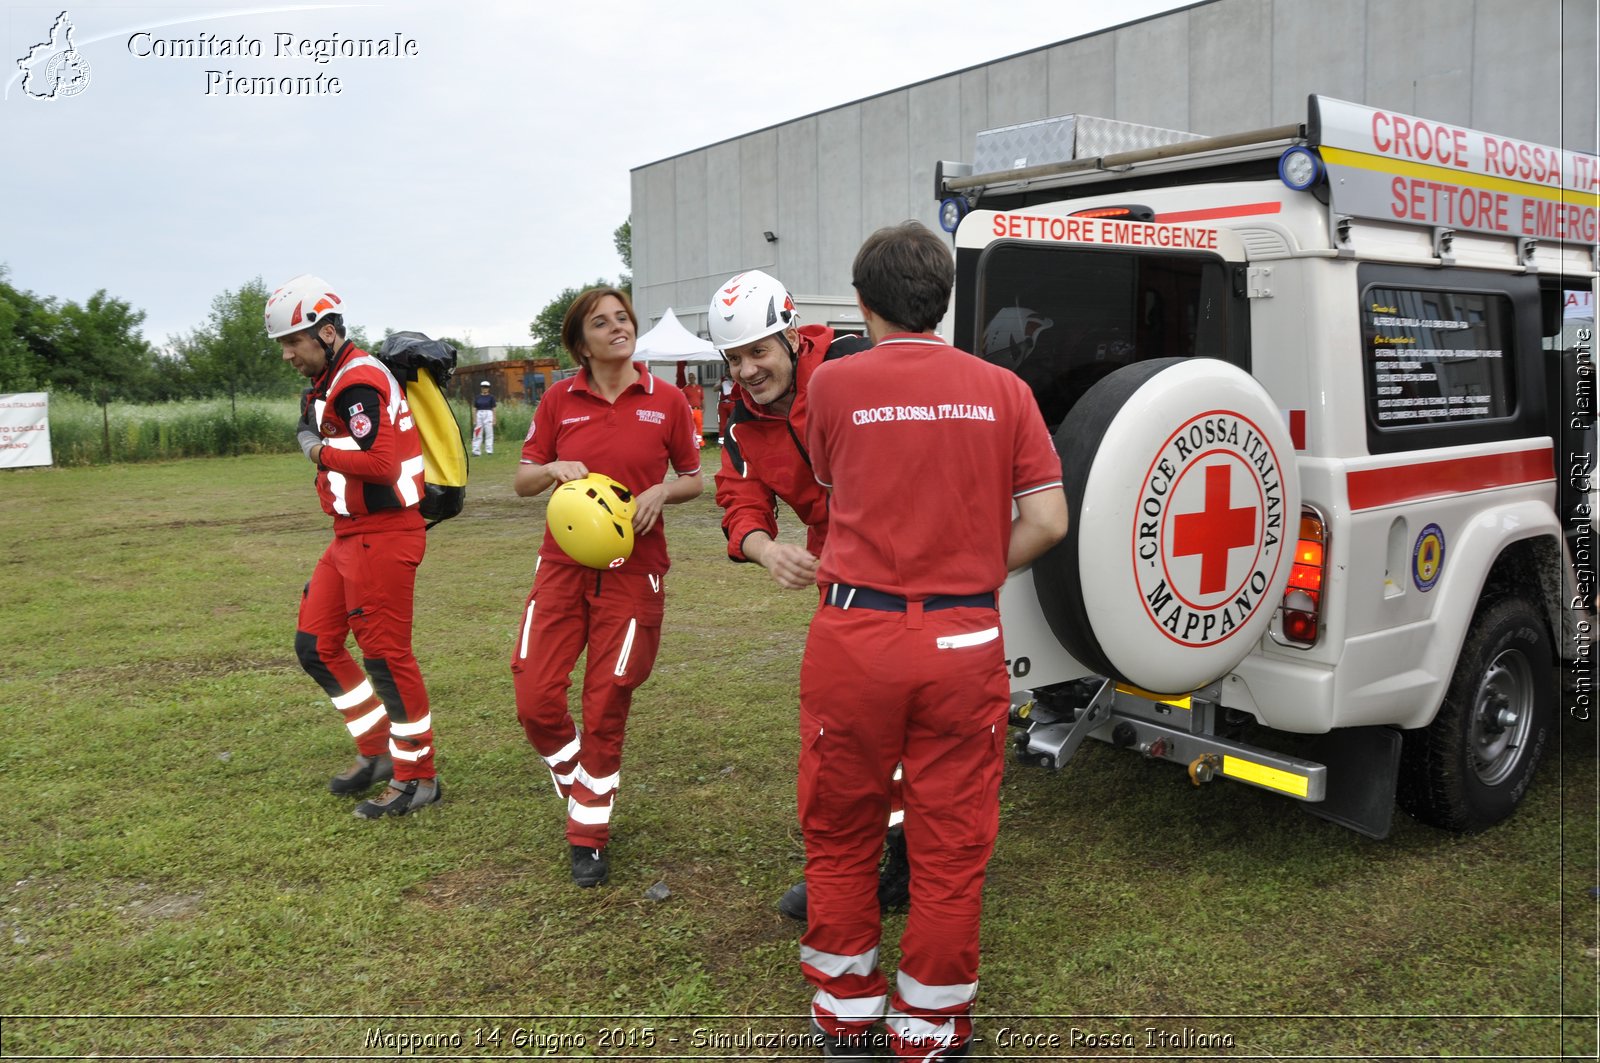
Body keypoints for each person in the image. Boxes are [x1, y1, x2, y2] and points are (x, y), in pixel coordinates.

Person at [797, 223, 1068, 1059]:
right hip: (962, 635)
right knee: (951, 841)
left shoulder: (832, 388)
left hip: (857, 632)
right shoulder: (1005, 389)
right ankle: (930, 1028)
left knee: (842, 830)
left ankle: (846, 1016)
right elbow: (1049, 521)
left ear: (864, 301)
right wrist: (969, 566)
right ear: (943, 299)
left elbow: (834, 483)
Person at [707, 268, 908, 923]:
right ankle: (858, 863)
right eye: (734, 358)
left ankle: (909, 859)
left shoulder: (853, 366)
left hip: (911, 558)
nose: (747, 369)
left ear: (791, 335)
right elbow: (738, 494)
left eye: (759, 350)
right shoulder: (738, 415)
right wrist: (766, 549)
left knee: (910, 717)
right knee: (841, 729)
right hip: (839, 568)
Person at [511, 285, 704, 888]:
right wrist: (549, 470)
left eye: (623, 318)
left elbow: (696, 479)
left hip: (634, 573)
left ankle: (588, 833)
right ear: (581, 342)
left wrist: (660, 491)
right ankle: (581, 785)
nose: (617, 327)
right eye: (602, 322)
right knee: (536, 697)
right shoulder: (559, 402)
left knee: (606, 702)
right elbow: (521, 481)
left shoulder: (667, 400)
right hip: (562, 567)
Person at [267, 273, 442, 818]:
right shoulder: (329, 380)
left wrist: (317, 452)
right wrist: (313, 437)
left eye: (294, 342)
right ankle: (379, 752)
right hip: (348, 534)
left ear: (326, 332)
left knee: (387, 657)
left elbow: (380, 465)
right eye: (284, 345)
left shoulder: (357, 381)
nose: (288, 355)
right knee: (315, 645)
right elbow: (317, 427)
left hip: (384, 534)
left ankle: (420, 776)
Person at [472, 380, 497, 455]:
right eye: (483, 387)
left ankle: (489, 450)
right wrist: (474, 419)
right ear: (481, 388)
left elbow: (494, 409)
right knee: (477, 432)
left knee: (489, 432)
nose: (485, 389)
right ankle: (476, 451)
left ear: (488, 388)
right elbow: (474, 408)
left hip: (488, 414)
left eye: (486, 387)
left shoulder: (491, 397)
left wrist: (494, 419)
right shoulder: (477, 397)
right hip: (479, 414)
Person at [681, 369, 705, 441]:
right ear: (688, 379)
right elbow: (683, 400)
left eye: (692, 377)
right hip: (690, 410)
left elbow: (702, 399)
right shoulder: (685, 389)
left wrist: (703, 409)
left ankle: (699, 443)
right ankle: (690, 441)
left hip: (698, 410)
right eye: (690, 377)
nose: (691, 378)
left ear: (695, 378)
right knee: (689, 426)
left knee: (699, 427)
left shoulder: (699, 388)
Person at [716, 373, 736, 444]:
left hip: (732, 403)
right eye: (727, 370)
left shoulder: (736, 378)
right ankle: (721, 442)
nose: (729, 372)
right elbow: (714, 389)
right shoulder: (722, 379)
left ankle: (733, 440)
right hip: (723, 403)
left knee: (734, 422)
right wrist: (721, 385)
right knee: (722, 423)